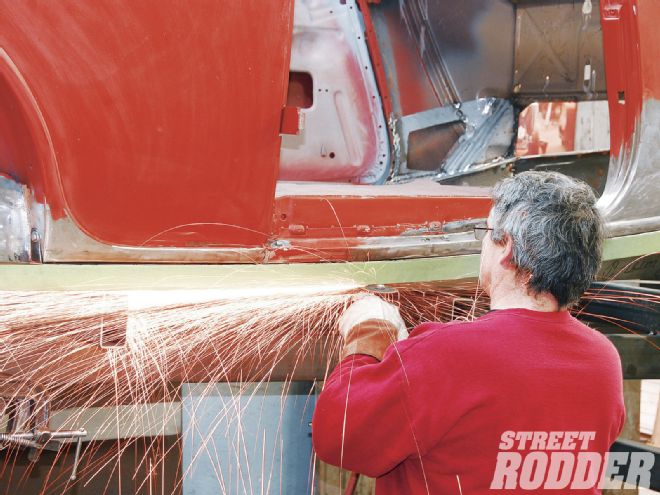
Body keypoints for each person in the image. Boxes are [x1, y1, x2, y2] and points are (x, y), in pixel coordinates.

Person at [312, 171, 625, 494]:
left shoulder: (450, 353)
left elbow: (339, 434)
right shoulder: (603, 359)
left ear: (507, 249)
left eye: (486, 233)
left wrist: (368, 333)